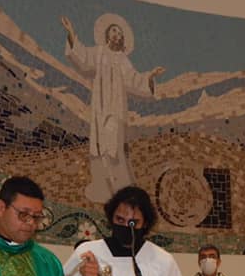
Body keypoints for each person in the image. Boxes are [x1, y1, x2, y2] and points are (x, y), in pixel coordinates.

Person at [61, 14, 166, 204]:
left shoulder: (122, 59)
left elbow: (134, 79)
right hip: (99, 107)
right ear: (107, 35)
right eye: (114, 31)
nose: (117, 34)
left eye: (119, 32)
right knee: (99, 145)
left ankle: (122, 190)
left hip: (115, 108)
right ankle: (102, 189)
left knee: (114, 146)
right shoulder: (99, 52)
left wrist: (150, 76)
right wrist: (71, 32)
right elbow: (83, 56)